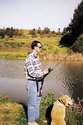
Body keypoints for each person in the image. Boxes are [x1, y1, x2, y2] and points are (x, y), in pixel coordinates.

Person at [24, 40, 49, 125]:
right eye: (40, 47)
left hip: (38, 82)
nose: (41, 48)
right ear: (35, 47)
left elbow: (37, 71)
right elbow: (32, 73)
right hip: (31, 83)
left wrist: (44, 73)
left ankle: (36, 117)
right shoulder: (29, 58)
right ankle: (31, 121)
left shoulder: (36, 57)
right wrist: (43, 73)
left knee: (38, 100)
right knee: (32, 102)